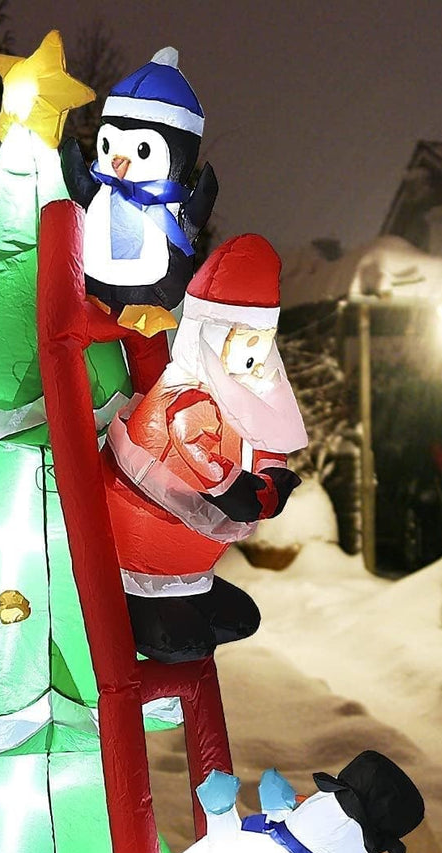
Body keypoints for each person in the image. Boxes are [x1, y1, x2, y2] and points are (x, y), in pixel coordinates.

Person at [102, 233, 306, 662]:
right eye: (244, 338)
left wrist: (270, 482)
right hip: (140, 556)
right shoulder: (185, 393)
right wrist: (233, 488)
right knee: (183, 638)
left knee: (239, 619)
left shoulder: (246, 389)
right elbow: (189, 442)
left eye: (262, 340)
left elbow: (267, 437)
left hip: (194, 564)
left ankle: (191, 592)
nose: (255, 354)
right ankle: (139, 606)